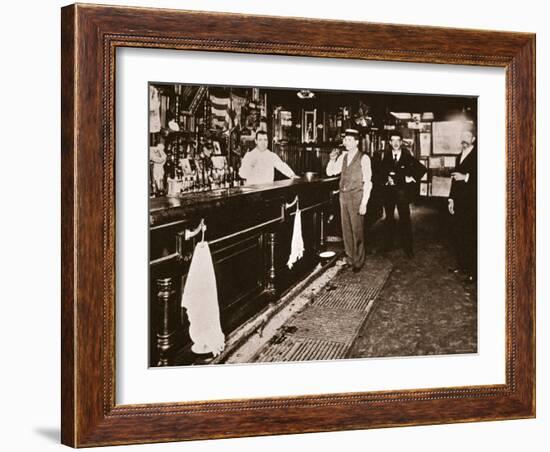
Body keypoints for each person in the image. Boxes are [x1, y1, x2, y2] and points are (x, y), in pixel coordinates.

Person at [326, 129, 372, 272]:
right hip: (343, 196)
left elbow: (368, 182)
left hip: (357, 196)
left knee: (357, 230)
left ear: (357, 142)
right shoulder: (343, 157)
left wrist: (364, 202)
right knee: (346, 229)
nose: (346, 142)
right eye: (345, 140)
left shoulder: (364, 158)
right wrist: (332, 159)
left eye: (350, 140)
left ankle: (358, 261)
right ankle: (350, 257)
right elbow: (330, 172)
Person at [379, 130, 426, 257]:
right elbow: (380, 173)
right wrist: (386, 181)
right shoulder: (386, 157)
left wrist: (411, 178)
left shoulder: (407, 157)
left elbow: (422, 169)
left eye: (397, 141)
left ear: (401, 142)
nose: (395, 143)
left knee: (405, 220)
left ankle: (408, 249)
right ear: (389, 142)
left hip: (402, 195)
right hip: (389, 195)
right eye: (392, 140)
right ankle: (387, 246)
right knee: (388, 220)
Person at [448, 128, 478, 282]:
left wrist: (466, 177)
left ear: (473, 139)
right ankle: (462, 265)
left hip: (472, 203)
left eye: (467, 137)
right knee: (459, 234)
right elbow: (454, 179)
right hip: (459, 202)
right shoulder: (459, 156)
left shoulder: (478, 155)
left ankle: (473, 271)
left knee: (471, 236)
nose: (464, 139)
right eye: (462, 137)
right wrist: (451, 199)